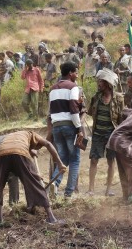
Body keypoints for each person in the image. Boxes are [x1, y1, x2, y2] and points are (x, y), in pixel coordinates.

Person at [0, 130, 67, 226]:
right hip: (19, 151)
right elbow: (48, 144)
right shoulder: (32, 133)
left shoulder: (15, 136)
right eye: (37, 147)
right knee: (35, 184)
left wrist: (30, 152)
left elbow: (13, 150)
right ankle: (51, 218)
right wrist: (60, 164)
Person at [47, 61, 83, 198]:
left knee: (62, 159)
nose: (77, 75)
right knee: (75, 159)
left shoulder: (53, 89)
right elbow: (74, 109)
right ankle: (68, 193)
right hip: (69, 126)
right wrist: (79, 128)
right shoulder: (73, 87)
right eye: (76, 72)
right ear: (70, 73)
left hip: (56, 127)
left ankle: (54, 185)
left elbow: (51, 111)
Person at [87, 69, 124, 196]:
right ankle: (91, 190)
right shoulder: (96, 97)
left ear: (108, 84)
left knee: (111, 161)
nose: (98, 83)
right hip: (97, 134)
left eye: (101, 81)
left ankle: (108, 189)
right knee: (93, 160)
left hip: (112, 135)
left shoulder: (118, 99)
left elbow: (121, 118)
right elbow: (90, 112)